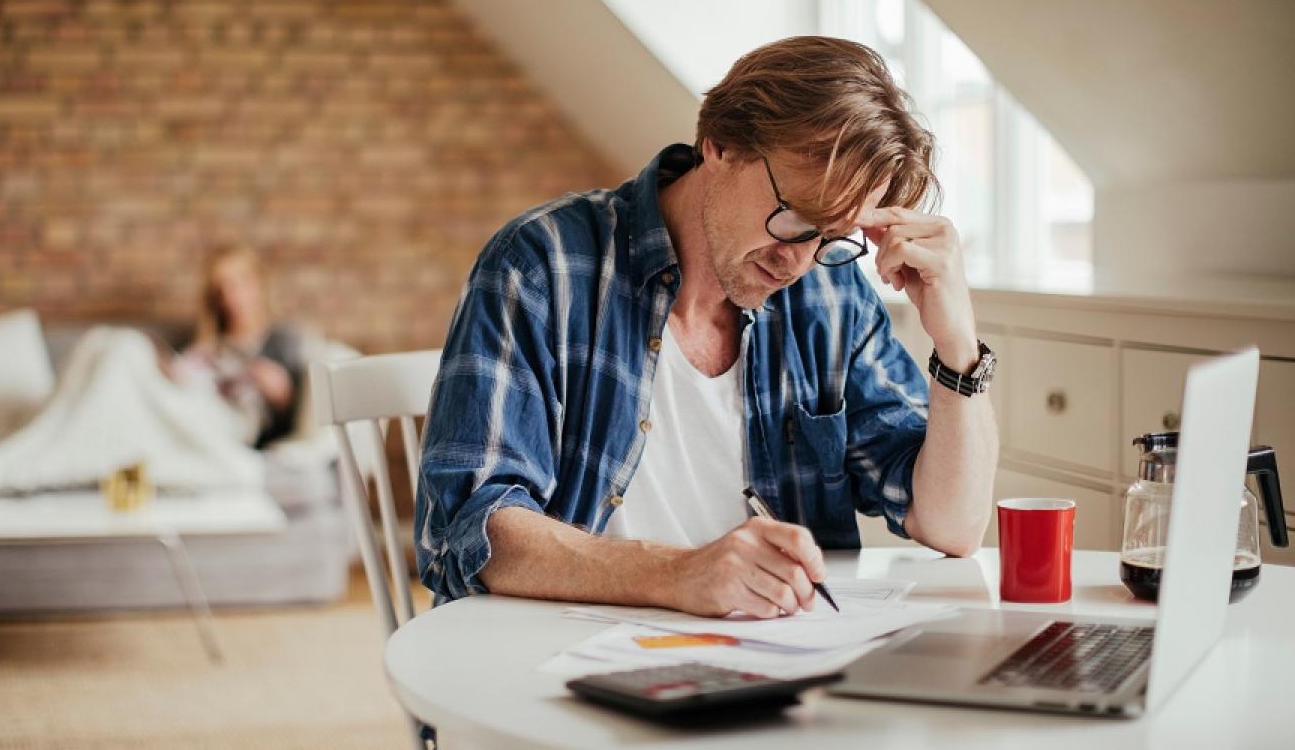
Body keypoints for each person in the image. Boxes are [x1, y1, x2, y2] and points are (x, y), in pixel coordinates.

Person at [415, 36, 1000, 616]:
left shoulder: (830, 291)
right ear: (719, 145)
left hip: (770, 665)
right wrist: (679, 573)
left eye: (831, 236)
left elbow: (952, 525)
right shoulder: (545, 265)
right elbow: (467, 530)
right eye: (795, 216)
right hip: (563, 656)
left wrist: (957, 345)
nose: (797, 261)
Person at [171, 245, 307, 449]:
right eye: (221, 290)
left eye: (237, 284)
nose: (230, 298)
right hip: (197, 417)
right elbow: (181, 385)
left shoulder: (282, 339)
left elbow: (291, 404)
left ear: (257, 283)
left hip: (239, 429)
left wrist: (266, 380)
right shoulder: (209, 344)